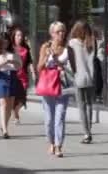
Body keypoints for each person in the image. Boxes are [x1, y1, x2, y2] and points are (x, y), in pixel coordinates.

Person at [38, 21, 76, 158]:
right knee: (49, 119)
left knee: (59, 117)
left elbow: (74, 69)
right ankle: (51, 142)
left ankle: (59, 146)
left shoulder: (68, 49)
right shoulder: (45, 47)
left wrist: (60, 65)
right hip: (48, 85)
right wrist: (47, 57)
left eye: (63, 31)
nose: (61, 34)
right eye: (58, 31)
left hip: (62, 86)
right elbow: (39, 68)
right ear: (51, 33)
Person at [0, 31, 22, 139]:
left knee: (10, 105)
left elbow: (19, 66)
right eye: (3, 42)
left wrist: (13, 62)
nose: (5, 44)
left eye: (7, 42)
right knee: (3, 104)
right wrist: (3, 63)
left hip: (12, 77)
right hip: (1, 77)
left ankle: (4, 126)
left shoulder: (13, 52)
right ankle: (5, 131)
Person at [69, 20, 96, 144]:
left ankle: (86, 134)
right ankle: (89, 129)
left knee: (82, 106)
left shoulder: (72, 43)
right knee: (89, 104)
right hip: (90, 78)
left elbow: (70, 63)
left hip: (78, 78)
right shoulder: (91, 43)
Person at [9, 26, 35, 124]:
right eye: (18, 35)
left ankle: (15, 110)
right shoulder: (10, 48)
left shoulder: (25, 49)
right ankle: (15, 114)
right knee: (13, 96)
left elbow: (29, 61)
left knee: (23, 97)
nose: (20, 37)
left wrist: (33, 72)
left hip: (23, 76)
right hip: (13, 75)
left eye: (21, 35)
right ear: (14, 37)